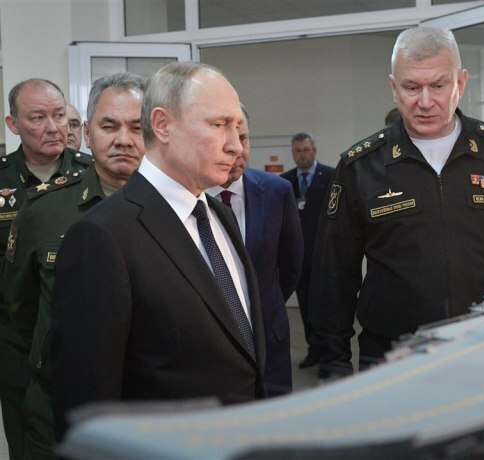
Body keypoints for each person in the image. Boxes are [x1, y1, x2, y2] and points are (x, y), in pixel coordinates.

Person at [308, 27, 484, 378]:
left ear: (461, 83)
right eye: (412, 87)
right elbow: (333, 278)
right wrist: (334, 366)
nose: (425, 102)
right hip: (393, 356)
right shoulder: (361, 167)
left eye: (438, 85)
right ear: (394, 88)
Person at [50, 61, 266, 439]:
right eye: (218, 124)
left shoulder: (218, 215)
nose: (234, 144)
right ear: (163, 125)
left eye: (236, 126)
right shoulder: (103, 236)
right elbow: (86, 407)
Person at [3, 72, 146, 459]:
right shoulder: (44, 212)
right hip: (58, 403)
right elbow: (20, 308)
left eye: (136, 127)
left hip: (150, 405)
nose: (123, 139)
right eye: (109, 126)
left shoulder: (180, 209)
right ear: (86, 132)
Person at [0, 78, 92, 459]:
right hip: (16, 343)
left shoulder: (92, 174)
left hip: (80, 337)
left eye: (60, 116)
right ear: (13, 124)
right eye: (38, 118)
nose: (55, 128)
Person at [207, 106, 303, 397]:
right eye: (224, 141)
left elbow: (291, 264)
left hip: (269, 339)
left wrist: (264, 303)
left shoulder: (277, 191)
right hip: (210, 345)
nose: (237, 150)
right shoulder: (188, 198)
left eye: (244, 139)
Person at [280, 133, 335, 369]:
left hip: (325, 257)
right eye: (297, 151)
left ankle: (330, 356)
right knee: (306, 307)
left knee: (326, 309)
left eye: (306, 150)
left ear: (314, 151)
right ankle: (313, 350)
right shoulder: (285, 181)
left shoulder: (331, 176)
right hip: (299, 258)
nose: (302, 155)